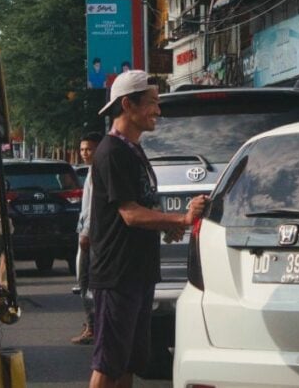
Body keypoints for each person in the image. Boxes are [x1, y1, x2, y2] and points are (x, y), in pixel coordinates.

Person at [87, 71, 207, 388]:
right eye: (152, 103)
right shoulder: (112, 152)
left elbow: (142, 205)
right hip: (117, 273)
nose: (158, 111)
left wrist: (163, 226)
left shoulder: (133, 150)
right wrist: (181, 220)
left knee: (129, 361)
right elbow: (129, 214)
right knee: (108, 363)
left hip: (139, 271)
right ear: (128, 104)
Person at [71, 131, 103, 345]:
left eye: (89, 149)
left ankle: (92, 326)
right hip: (88, 233)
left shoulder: (98, 172)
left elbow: (93, 208)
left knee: (86, 282)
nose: (84, 153)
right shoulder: (92, 171)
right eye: (82, 149)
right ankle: (93, 324)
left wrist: (86, 233)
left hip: (90, 236)